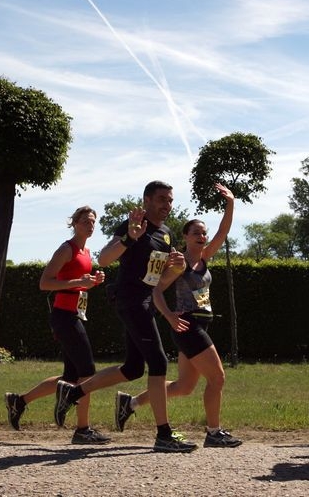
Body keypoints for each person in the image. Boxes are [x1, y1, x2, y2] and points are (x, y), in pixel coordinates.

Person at [52, 181, 198, 453]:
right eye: (161, 199)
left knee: (133, 368)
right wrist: (129, 237)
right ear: (146, 200)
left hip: (144, 301)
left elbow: (157, 283)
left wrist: (176, 270)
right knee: (158, 361)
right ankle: (163, 434)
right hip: (130, 300)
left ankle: (73, 392)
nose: (167, 205)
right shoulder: (133, 225)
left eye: (170, 200)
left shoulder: (165, 235)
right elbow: (105, 258)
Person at [114, 183, 242, 448]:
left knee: (184, 387)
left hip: (200, 326)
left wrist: (230, 204)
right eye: (196, 232)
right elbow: (157, 290)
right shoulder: (178, 262)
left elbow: (224, 231)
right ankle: (214, 432)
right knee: (217, 378)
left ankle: (131, 403)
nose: (202, 236)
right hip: (189, 325)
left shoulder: (204, 258)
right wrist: (170, 315)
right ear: (185, 236)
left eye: (204, 233)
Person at [4, 206, 111, 445]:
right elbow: (45, 283)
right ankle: (83, 430)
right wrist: (79, 282)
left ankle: (18, 401)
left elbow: (77, 284)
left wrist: (91, 282)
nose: (90, 225)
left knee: (70, 376)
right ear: (74, 223)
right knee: (87, 372)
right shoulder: (66, 249)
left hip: (76, 315)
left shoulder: (87, 251)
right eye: (85, 221)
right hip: (64, 316)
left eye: (93, 222)